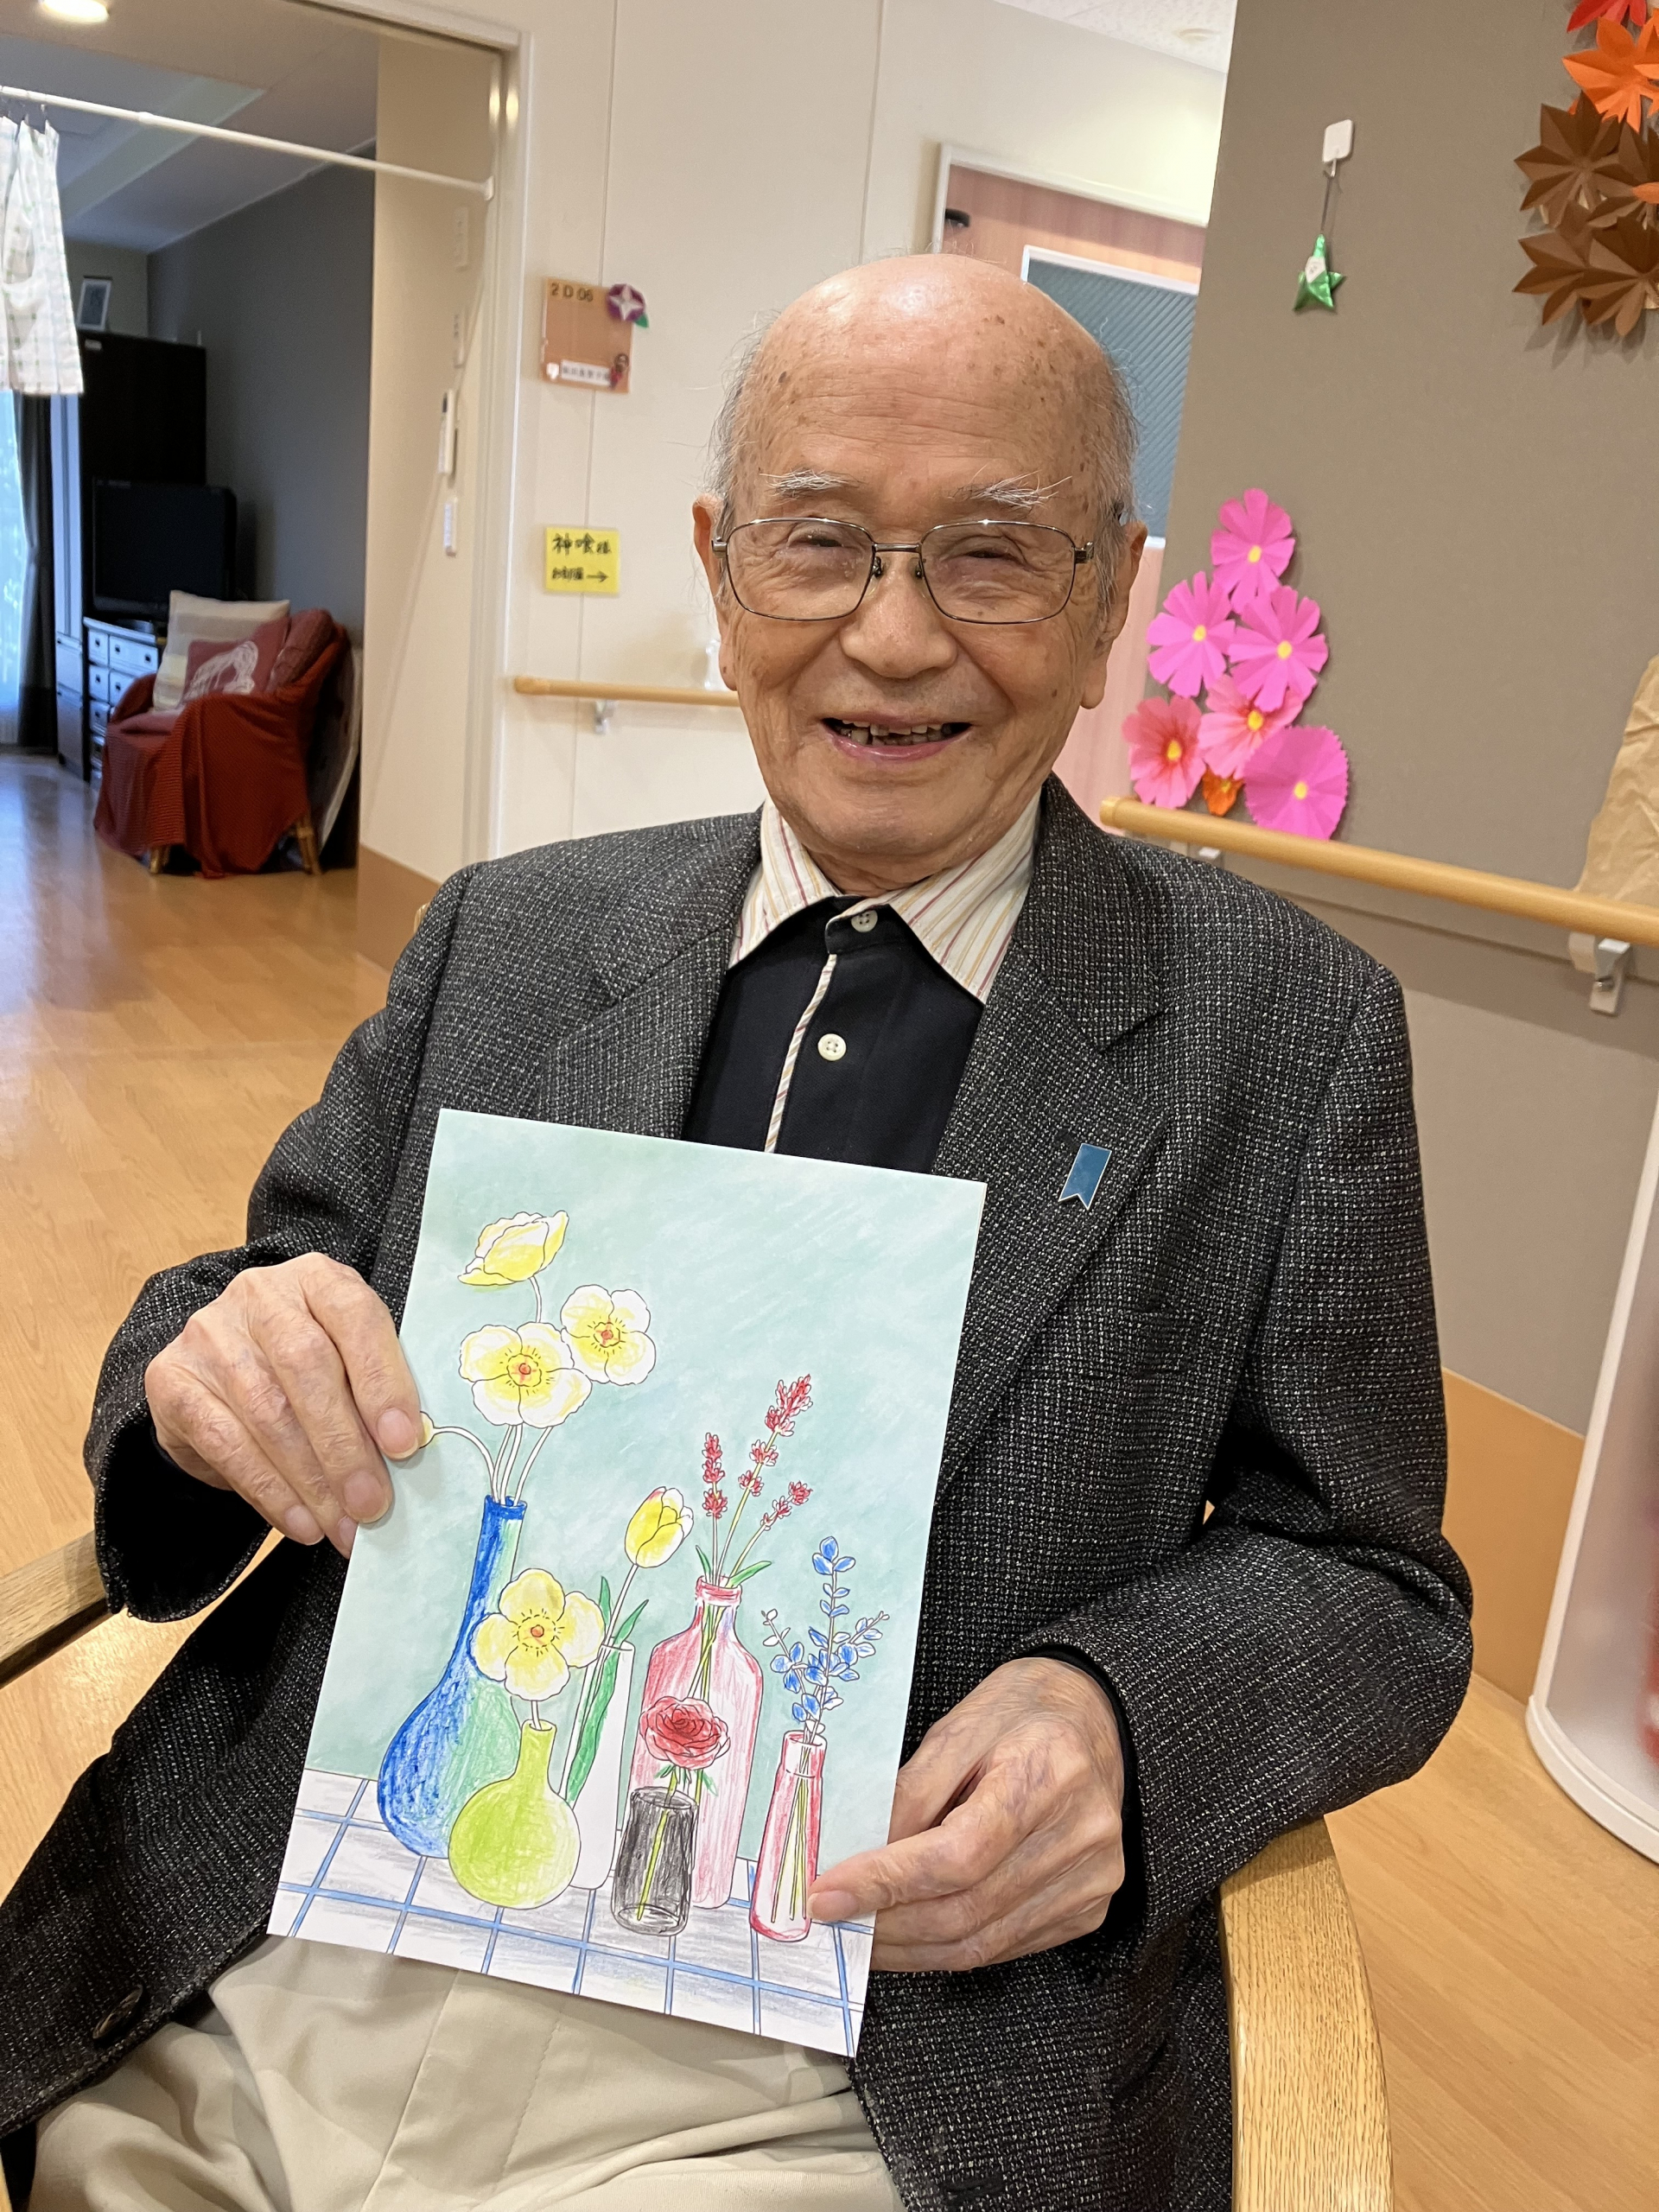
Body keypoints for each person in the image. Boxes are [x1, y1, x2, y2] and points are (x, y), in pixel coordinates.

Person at [0, 254, 1471, 2212]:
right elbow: (271, 1279)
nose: (894, 635)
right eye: (820, 542)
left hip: (845, 2044)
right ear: (719, 571)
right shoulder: (515, 936)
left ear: (1112, 599)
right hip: (325, 1923)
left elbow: (1372, 1575)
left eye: (992, 555)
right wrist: (215, 1366)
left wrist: (1122, 1712)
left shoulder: (1279, 1032)